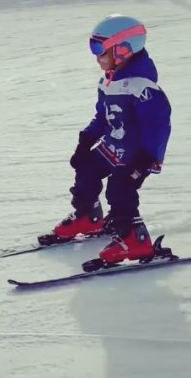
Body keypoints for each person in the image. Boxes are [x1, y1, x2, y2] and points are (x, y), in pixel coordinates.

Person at [43, 14, 172, 266]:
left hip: (136, 154)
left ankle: (135, 239)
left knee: (120, 189)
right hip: (112, 146)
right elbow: (103, 117)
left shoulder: (143, 88)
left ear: (124, 49)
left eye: (100, 49)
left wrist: (146, 159)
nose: (96, 57)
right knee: (86, 168)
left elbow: (158, 126)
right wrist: (86, 139)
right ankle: (88, 216)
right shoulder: (108, 81)